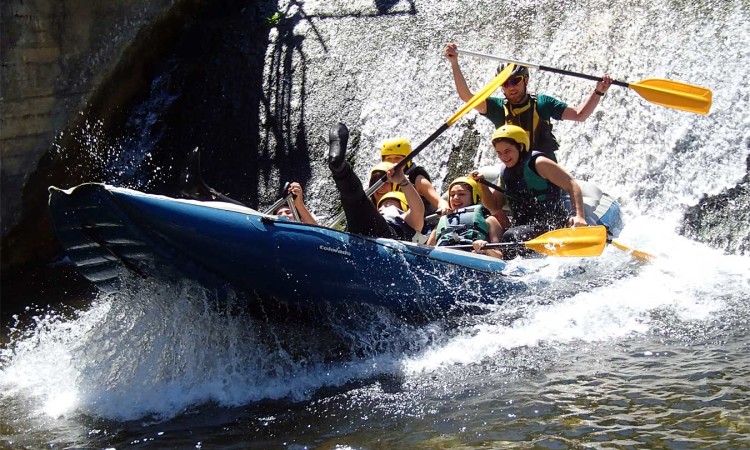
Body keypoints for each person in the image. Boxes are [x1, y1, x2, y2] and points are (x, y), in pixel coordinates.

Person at [443, 43, 612, 158]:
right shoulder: (497, 108)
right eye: (505, 83)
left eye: (515, 80)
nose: (511, 87)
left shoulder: (543, 103)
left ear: (526, 80)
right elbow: (467, 97)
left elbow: (579, 115)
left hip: (544, 168)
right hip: (514, 170)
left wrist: (598, 91)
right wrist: (454, 63)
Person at [473, 124, 588, 258]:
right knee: (495, 225)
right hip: (523, 225)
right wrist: (483, 186)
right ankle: (492, 253)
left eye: (507, 151)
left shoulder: (539, 163)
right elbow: (495, 206)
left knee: (511, 236)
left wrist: (579, 216)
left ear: (521, 147)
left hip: (550, 224)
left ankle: (502, 257)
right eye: (499, 153)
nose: (503, 156)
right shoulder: (505, 172)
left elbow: (571, 185)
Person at [328, 123, 425, 241]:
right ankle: (339, 167)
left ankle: (342, 171)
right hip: (358, 234)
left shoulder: (406, 221)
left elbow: (418, 209)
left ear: (403, 207)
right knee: (353, 200)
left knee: (357, 200)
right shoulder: (373, 213)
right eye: (383, 205)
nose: (385, 206)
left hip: (386, 236)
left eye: (390, 203)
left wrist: (403, 181)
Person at [427, 176, 505, 259]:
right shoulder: (441, 223)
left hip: (473, 257)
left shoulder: (489, 221)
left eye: (461, 194)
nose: (456, 198)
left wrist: (486, 249)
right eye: (452, 195)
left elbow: (499, 256)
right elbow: (426, 253)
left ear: (474, 197)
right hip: (443, 258)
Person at [379, 137, 450, 215]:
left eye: (397, 158)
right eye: (388, 158)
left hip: (424, 222)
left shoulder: (417, 179)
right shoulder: (380, 179)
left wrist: (443, 206)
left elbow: (438, 200)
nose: (393, 162)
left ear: (408, 160)